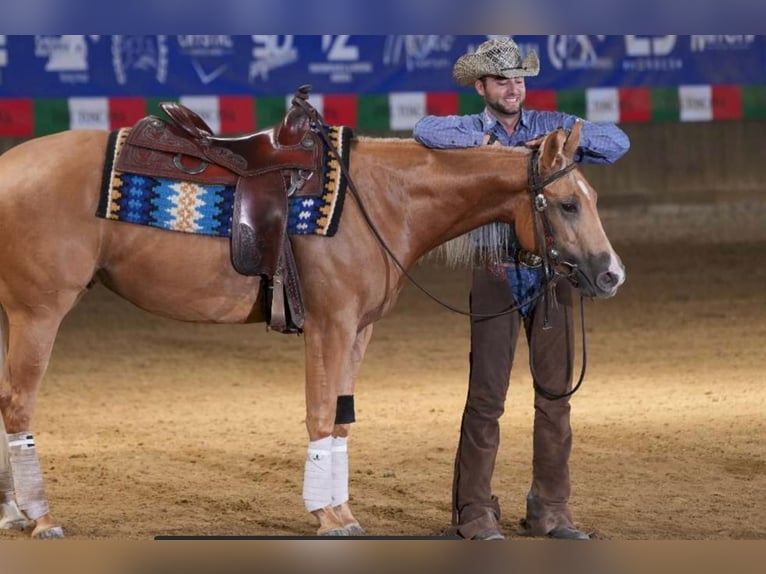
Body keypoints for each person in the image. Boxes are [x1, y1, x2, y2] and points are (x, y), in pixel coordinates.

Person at [413, 37, 630, 540]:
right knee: (486, 397)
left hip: (552, 272)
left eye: (519, 79)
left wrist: (564, 138)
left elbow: (617, 142)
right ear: (482, 87)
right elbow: (424, 129)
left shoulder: (547, 128)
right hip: (494, 268)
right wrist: (494, 152)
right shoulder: (470, 130)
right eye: (503, 81)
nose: (514, 88)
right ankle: (474, 511)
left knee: (555, 395)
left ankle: (551, 509)